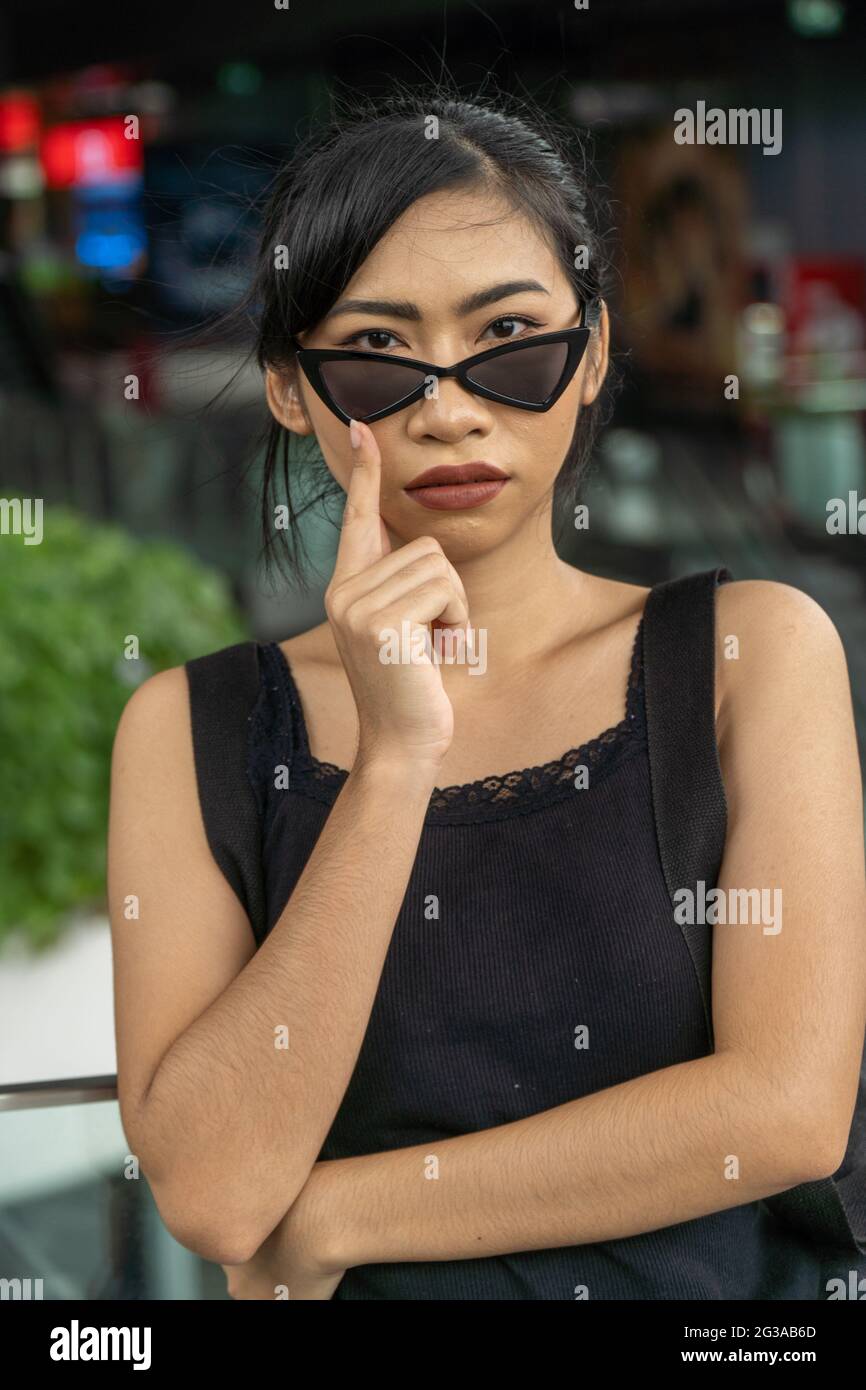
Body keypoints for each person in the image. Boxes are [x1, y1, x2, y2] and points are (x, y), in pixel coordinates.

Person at [106, 86, 866, 1300]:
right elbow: (211, 1188)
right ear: (294, 389)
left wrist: (343, 1215)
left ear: (591, 348)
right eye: (377, 356)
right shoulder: (192, 729)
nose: (447, 407)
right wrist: (396, 760)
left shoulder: (748, 654)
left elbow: (782, 1110)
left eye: (507, 339)